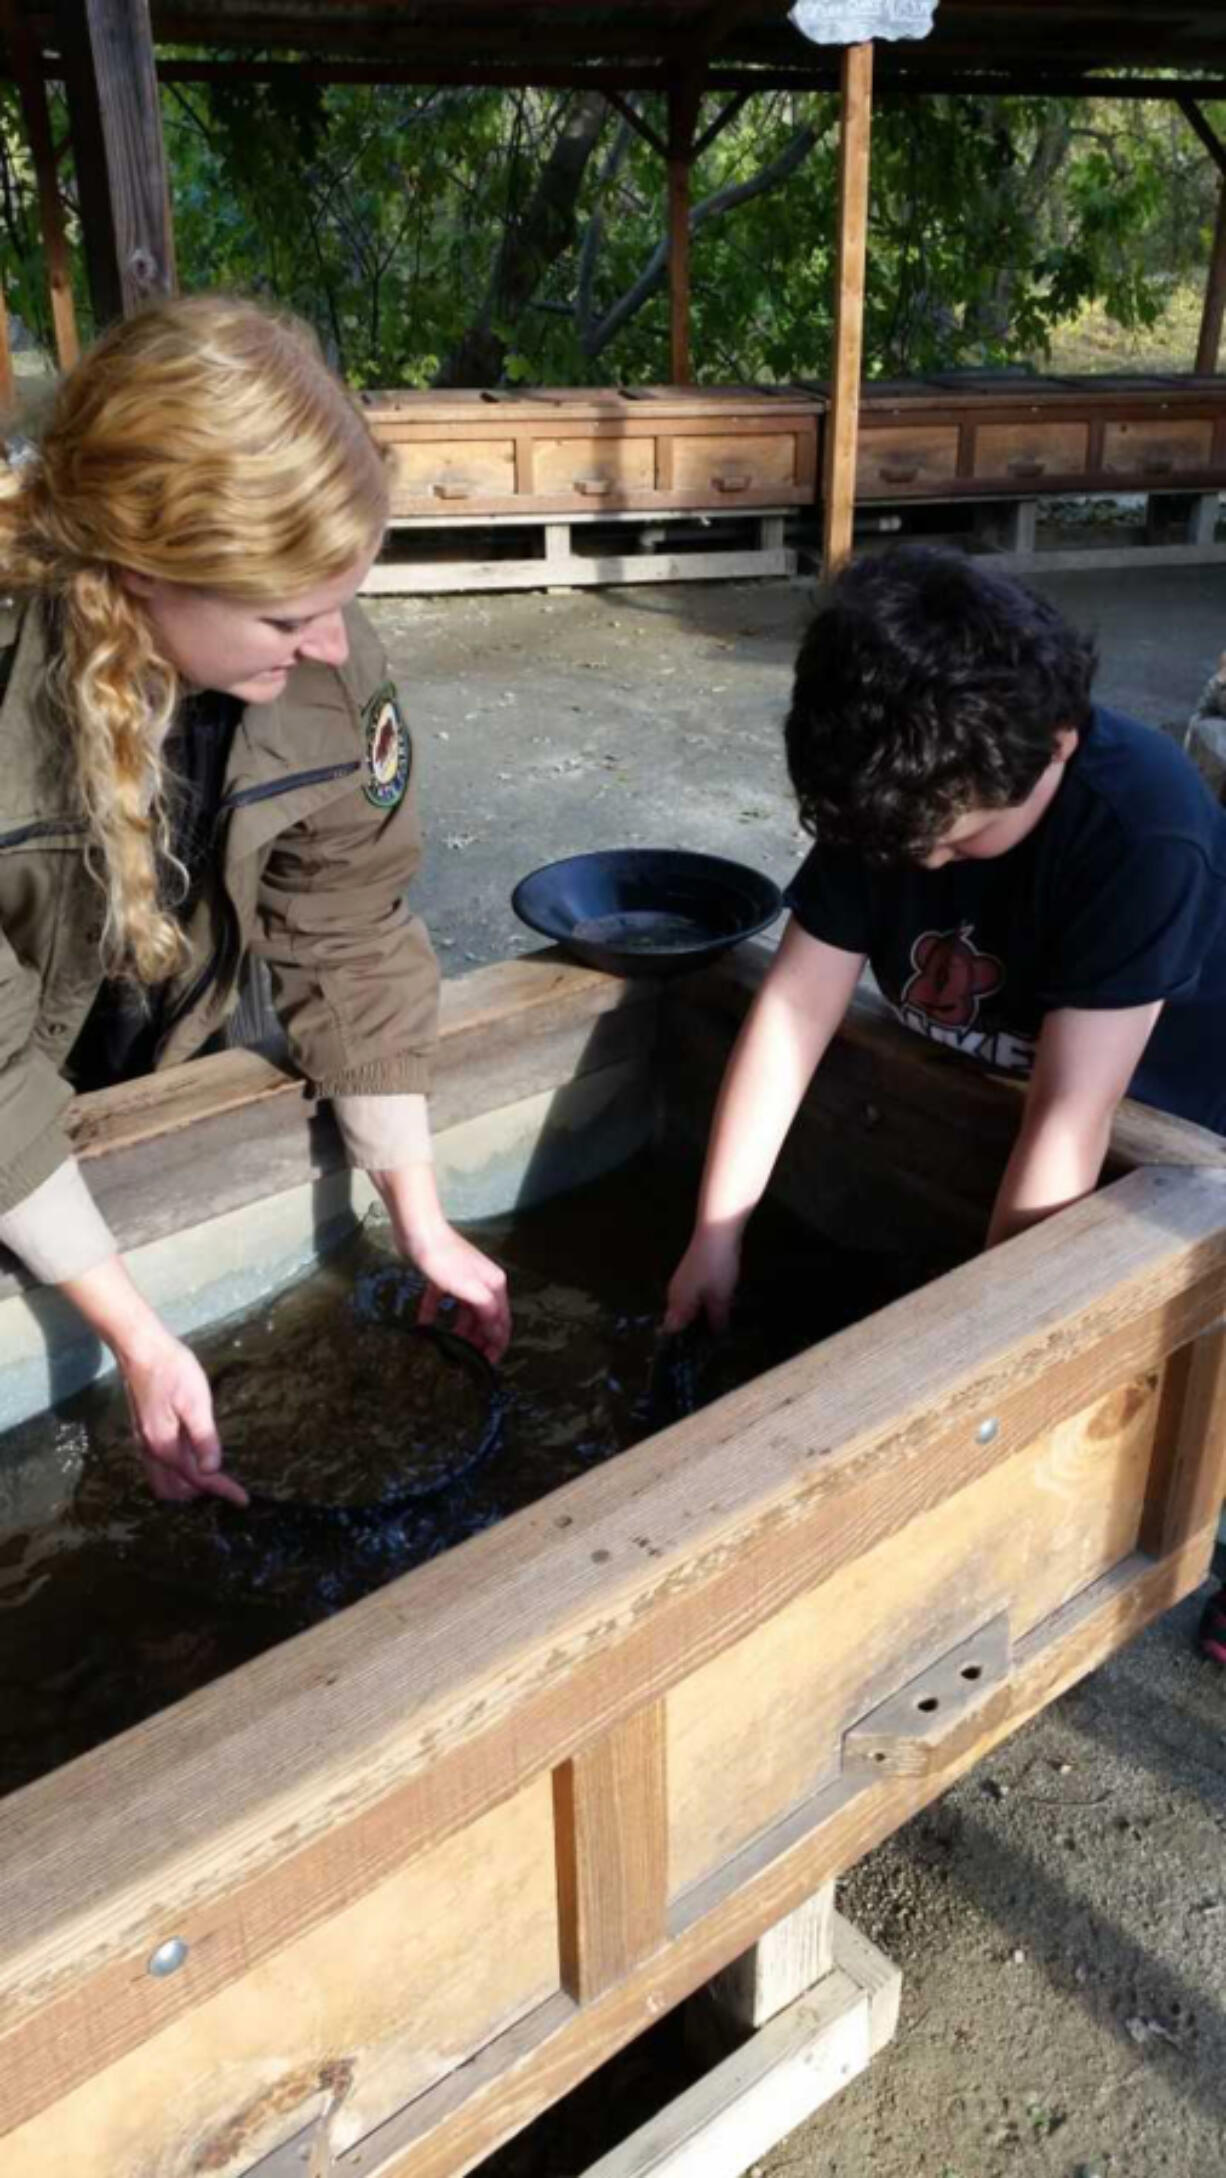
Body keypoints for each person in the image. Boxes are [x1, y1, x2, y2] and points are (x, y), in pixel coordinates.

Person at [664, 547, 1226, 1656]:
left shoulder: (1138, 830)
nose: (921, 859)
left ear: (1055, 747)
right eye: (893, 842)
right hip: (1007, 1057)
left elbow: (1068, 1122)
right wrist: (714, 1232)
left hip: (1173, 1107)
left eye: (958, 838)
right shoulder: (893, 784)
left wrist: (970, 1375)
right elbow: (792, 1012)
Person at [0, 294, 509, 1508]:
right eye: (289, 618)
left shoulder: (328, 665)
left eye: (342, 599)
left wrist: (418, 1221)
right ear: (143, 571)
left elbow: (349, 923)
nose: (334, 646)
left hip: (152, 1045)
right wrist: (135, 1332)